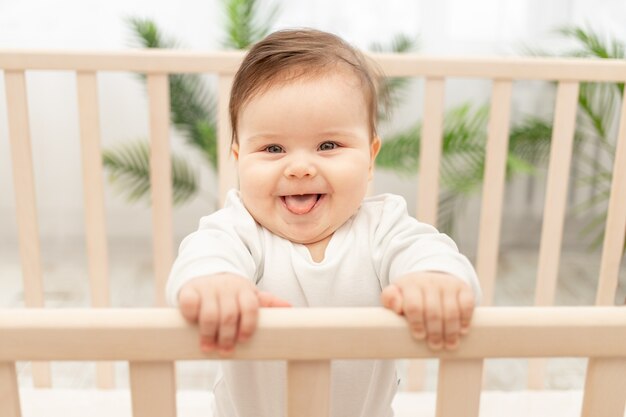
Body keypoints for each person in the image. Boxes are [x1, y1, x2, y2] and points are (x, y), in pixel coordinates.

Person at [166, 28, 481, 417]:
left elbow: (426, 249)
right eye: (273, 148)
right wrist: (214, 284)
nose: (300, 167)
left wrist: (434, 279)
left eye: (328, 146)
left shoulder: (383, 225)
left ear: (370, 156)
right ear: (238, 158)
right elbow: (202, 256)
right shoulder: (239, 228)